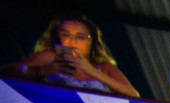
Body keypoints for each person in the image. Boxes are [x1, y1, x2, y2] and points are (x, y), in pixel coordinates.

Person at [5, 14, 139, 97]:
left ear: (92, 42)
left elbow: (133, 95)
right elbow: (7, 71)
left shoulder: (104, 67)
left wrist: (92, 71)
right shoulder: (51, 57)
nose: (73, 41)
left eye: (80, 37)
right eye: (66, 35)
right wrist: (44, 70)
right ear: (58, 37)